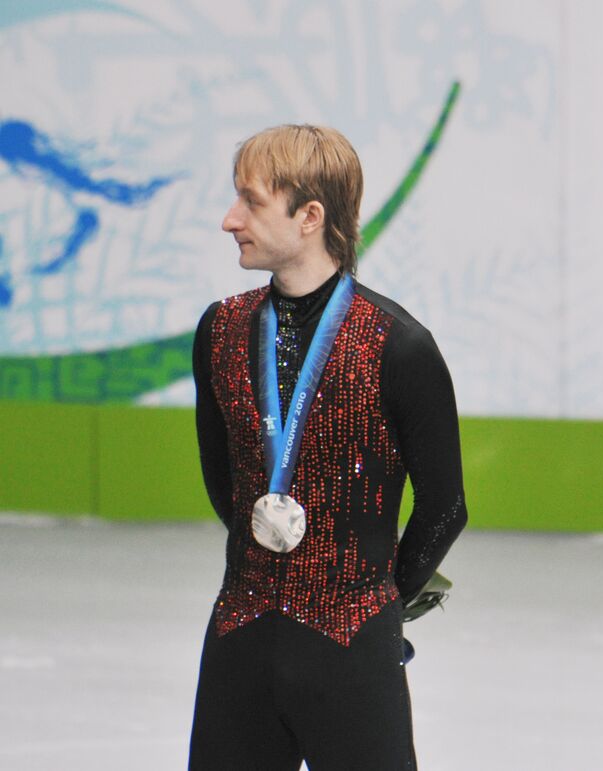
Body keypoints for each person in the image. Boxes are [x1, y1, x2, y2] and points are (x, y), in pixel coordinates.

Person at [188, 124, 467, 770]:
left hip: (352, 651)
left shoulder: (399, 346)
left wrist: (374, 598)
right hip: (241, 636)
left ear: (310, 216)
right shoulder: (221, 331)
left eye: (251, 202)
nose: (231, 219)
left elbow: (445, 506)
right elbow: (224, 480)